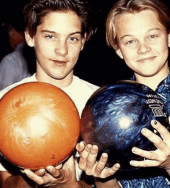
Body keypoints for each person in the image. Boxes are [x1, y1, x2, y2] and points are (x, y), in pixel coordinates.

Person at [78, 0, 170, 187]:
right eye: (130, 41)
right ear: (119, 50)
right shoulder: (105, 108)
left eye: (152, 36)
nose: (143, 48)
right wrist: (103, 175)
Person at [0, 0, 120, 187]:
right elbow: (6, 182)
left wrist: (71, 184)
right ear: (30, 36)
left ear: (83, 40)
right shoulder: (4, 103)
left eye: (72, 38)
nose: (62, 50)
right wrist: (32, 177)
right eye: (50, 37)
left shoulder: (104, 105)